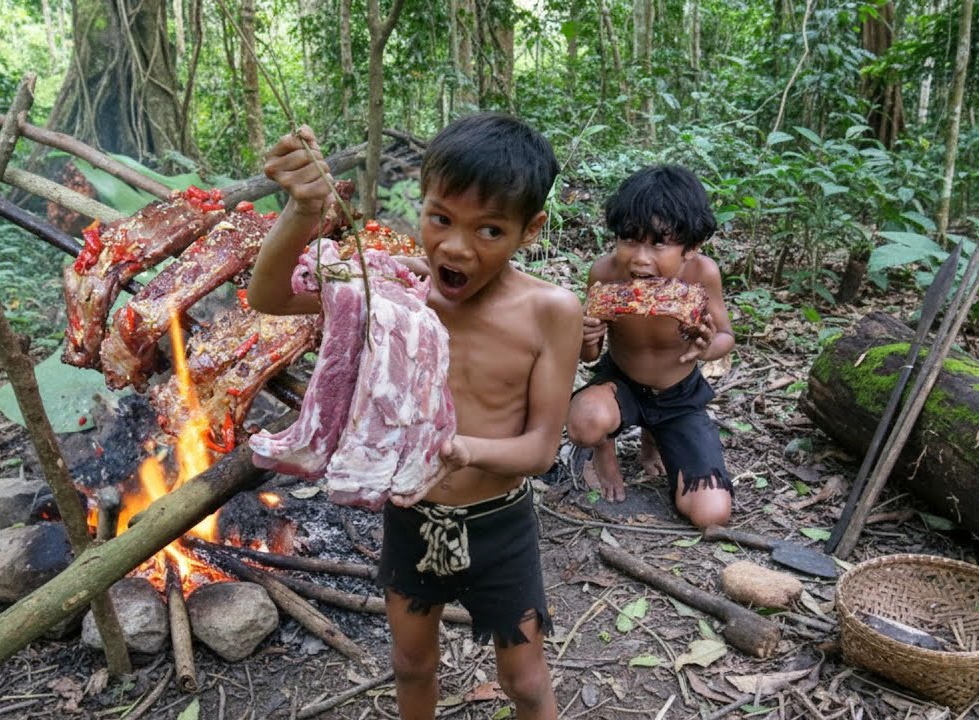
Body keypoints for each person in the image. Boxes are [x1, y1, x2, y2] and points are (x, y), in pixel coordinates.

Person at [247, 114, 580, 720]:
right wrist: (302, 210)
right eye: (440, 218)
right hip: (413, 516)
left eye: (489, 230)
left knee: (525, 679)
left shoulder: (550, 312)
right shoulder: (390, 289)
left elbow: (539, 451)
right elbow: (266, 297)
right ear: (419, 204)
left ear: (530, 230)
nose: (456, 246)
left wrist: (458, 449)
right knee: (411, 664)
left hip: (499, 527)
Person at [565, 164, 734, 528]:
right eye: (629, 239)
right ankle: (603, 450)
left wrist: (707, 349)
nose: (640, 258)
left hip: (678, 396)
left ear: (691, 247)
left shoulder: (703, 274)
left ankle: (654, 437)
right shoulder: (604, 273)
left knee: (712, 514)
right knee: (584, 423)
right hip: (621, 382)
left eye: (659, 242)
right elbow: (590, 355)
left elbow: (725, 336)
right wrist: (586, 340)